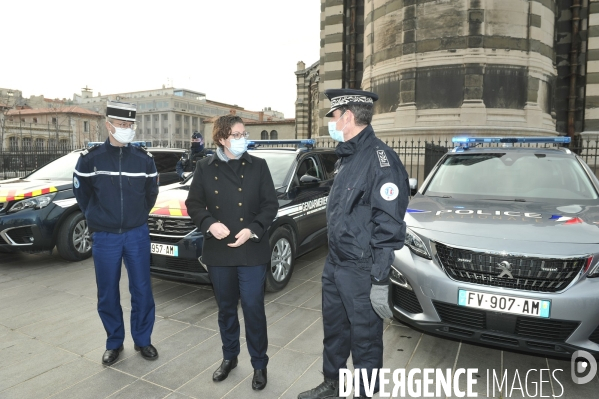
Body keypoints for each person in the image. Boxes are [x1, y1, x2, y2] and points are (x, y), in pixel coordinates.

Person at [297, 89, 409, 399]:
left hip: (362, 269)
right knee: (334, 332)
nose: (331, 122)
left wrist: (379, 278)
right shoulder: (348, 156)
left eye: (333, 116)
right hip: (335, 263)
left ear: (347, 117)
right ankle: (332, 384)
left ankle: (364, 393)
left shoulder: (380, 161)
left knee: (365, 339)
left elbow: (389, 225)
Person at [185, 114, 278, 391]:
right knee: (226, 309)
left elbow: (270, 205)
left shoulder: (258, 166)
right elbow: (194, 204)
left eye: (244, 134)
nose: (243, 139)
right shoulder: (204, 166)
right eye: (237, 135)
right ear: (223, 138)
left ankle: (259, 364)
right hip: (219, 252)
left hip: (251, 250)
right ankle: (229, 357)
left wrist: (253, 229)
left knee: (252, 308)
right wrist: (209, 224)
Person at [73, 100, 159, 366]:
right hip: (105, 236)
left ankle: (143, 340)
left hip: (136, 234)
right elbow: (83, 195)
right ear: (108, 125)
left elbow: (150, 195)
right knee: (107, 292)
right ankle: (114, 342)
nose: (127, 129)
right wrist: (97, 218)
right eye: (122, 124)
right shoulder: (91, 160)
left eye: (130, 124)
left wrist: (137, 217)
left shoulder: (143, 160)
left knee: (142, 290)